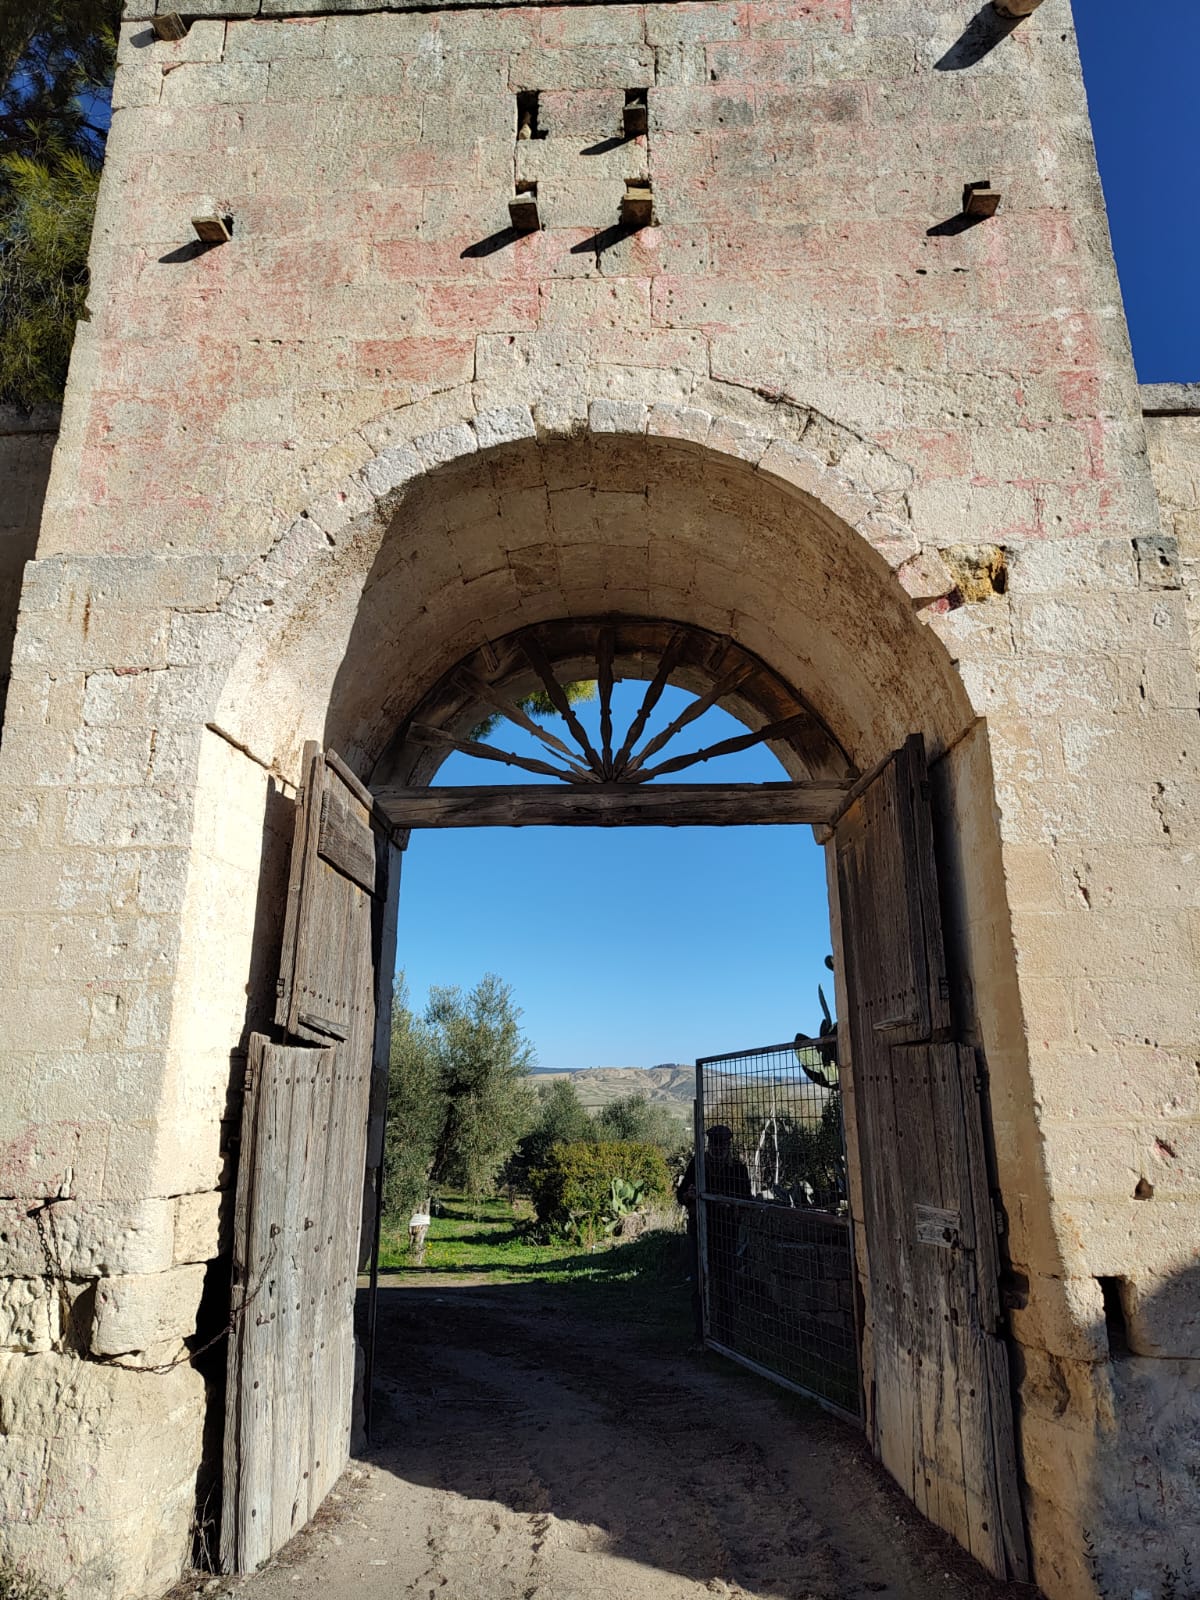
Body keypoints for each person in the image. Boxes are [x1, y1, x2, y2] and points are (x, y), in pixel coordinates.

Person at [677, 1124, 752, 1342]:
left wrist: (733, 1206)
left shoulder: (738, 1169)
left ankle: (727, 1338)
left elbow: (746, 1199)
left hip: (727, 1234)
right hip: (700, 1232)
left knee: (726, 1286)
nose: (718, 1147)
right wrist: (688, 1196)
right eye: (715, 1143)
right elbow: (680, 1193)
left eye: (723, 1143)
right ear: (709, 1143)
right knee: (699, 1285)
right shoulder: (697, 1165)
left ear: (729, 1144)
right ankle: (702, 1333)